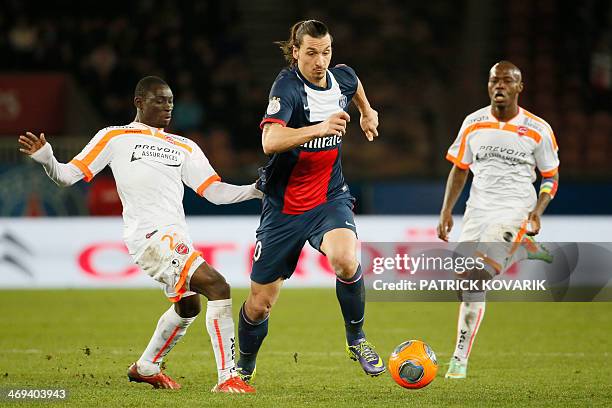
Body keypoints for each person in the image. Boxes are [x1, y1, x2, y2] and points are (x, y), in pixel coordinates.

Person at [18, 76, 260, 393]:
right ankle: (228, 377)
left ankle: (146, 367)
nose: (167, 106)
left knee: (189, 307)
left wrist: (254, 191)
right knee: (217, 285)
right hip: (149, 238)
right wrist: (48, 159)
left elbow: (214, 192)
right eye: (159, 100)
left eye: (171, 101)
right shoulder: (115, 137)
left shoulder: (185, 146)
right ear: (139, 102)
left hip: (176, 238)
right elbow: (67, 176)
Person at [236, 20, 385, 383]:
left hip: (328, 199)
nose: (320, 61)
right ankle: (244, 364)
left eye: (326, 52)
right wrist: (318, 128)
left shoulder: (342, 77)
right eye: (312, 53)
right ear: (296, 52)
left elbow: (354, 82)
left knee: (346, 260)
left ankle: (357, 339)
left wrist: (366, 111)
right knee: (259, 305)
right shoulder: (287, 87)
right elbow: (270, 142)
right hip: (284, 208)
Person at [437, 61, 560, 379]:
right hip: (477, 212)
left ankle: (458, 361)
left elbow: (550, 177)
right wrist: (447, 210)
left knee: (477, 277)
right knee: (463, 283)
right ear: (488, 85)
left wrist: (538, 210)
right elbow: (460, 168)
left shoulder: (538, 129)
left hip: (515, 211)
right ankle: (524, 248)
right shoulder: (473, 122)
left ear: (520, 87)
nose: (500, 85)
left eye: (507, 81)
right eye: (494, 80)